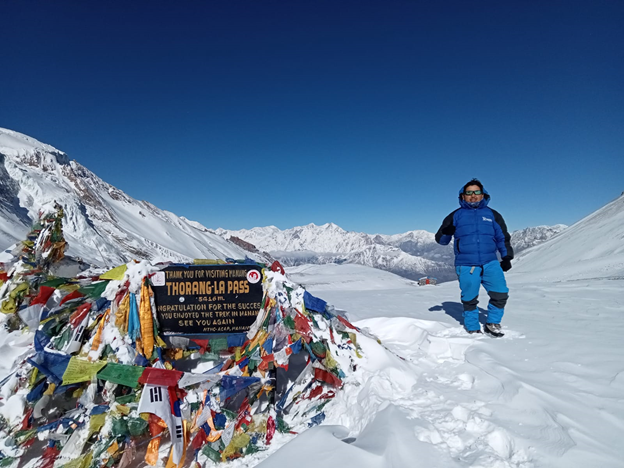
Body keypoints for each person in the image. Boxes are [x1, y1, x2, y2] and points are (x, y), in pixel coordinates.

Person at [435, 179, 513, 337]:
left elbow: (502, 238)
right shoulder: (455, 216)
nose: (473, 195)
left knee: (500, 294)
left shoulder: (493, 215)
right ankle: (472, 326)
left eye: (476, 192)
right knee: (470, 298)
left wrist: (506, 257)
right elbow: (441, 240)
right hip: (466, 264)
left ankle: (492, 322)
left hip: (490, 262)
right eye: (469, 193)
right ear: (462, 196)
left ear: (483, 194)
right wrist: (447, 231)